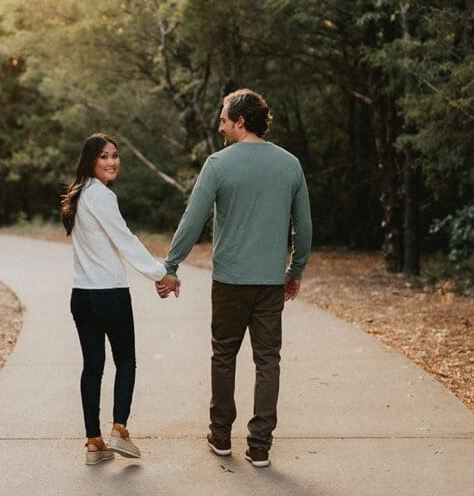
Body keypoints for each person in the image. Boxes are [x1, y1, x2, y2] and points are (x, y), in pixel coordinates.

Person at [158, 88, 312, 469]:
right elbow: (304, 227)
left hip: (229, 282)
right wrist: (295, 271)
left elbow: (192, 220)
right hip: (270, 283)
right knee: (268, 361)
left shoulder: (218, 164)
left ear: (240, 121)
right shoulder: (290, 164)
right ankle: (260, 445)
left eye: (224, 117)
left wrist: (172, 266)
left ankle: (221, 435)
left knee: (224, 355)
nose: (219, 124)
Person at [60, 133, 181, 465]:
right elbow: (126, 240)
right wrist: (162, 274)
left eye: (114, 155)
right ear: (90, 160)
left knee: (92, 367)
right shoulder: (100, 196)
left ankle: (94, 444)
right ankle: (118, 430)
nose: (111, 161)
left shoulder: (79, 194)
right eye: (104, 156)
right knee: (126, 361)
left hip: (82, 296)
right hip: (109, 294)